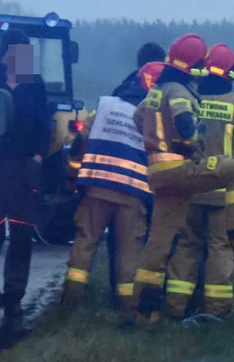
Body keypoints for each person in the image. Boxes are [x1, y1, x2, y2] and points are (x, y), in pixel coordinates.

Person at [126, 34, 234, 327]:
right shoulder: (179, 90)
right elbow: (185, 124)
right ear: (194, 65)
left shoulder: (154, 91)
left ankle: (147, 310)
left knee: (160, 243)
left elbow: (137, 119)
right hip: (182, 169)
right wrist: (191, 139)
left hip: (157, 176)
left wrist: (156, 143)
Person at [163, 44, 234, 321]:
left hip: (190, 188)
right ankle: (217, 312)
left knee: (187, 246)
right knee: (220, 248)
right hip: (225, 195)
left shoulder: (189, 99)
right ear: (232, 73)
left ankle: (175, 307)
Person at [0, 27, 53, 340]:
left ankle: (14, 301)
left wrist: (39, 159)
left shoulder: (35, 84)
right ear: (6, 52)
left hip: (22, 169)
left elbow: (45, 125)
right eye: (20, 50)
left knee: (21, 234)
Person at [60, 62, 163, 310]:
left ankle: (70, 302)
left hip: (96, 187)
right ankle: (129, 308)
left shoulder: (105, 107)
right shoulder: (155, 118)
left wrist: (72, 178)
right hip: (133, 193)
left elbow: (80, 144)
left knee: (85, 243)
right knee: (129, 252)